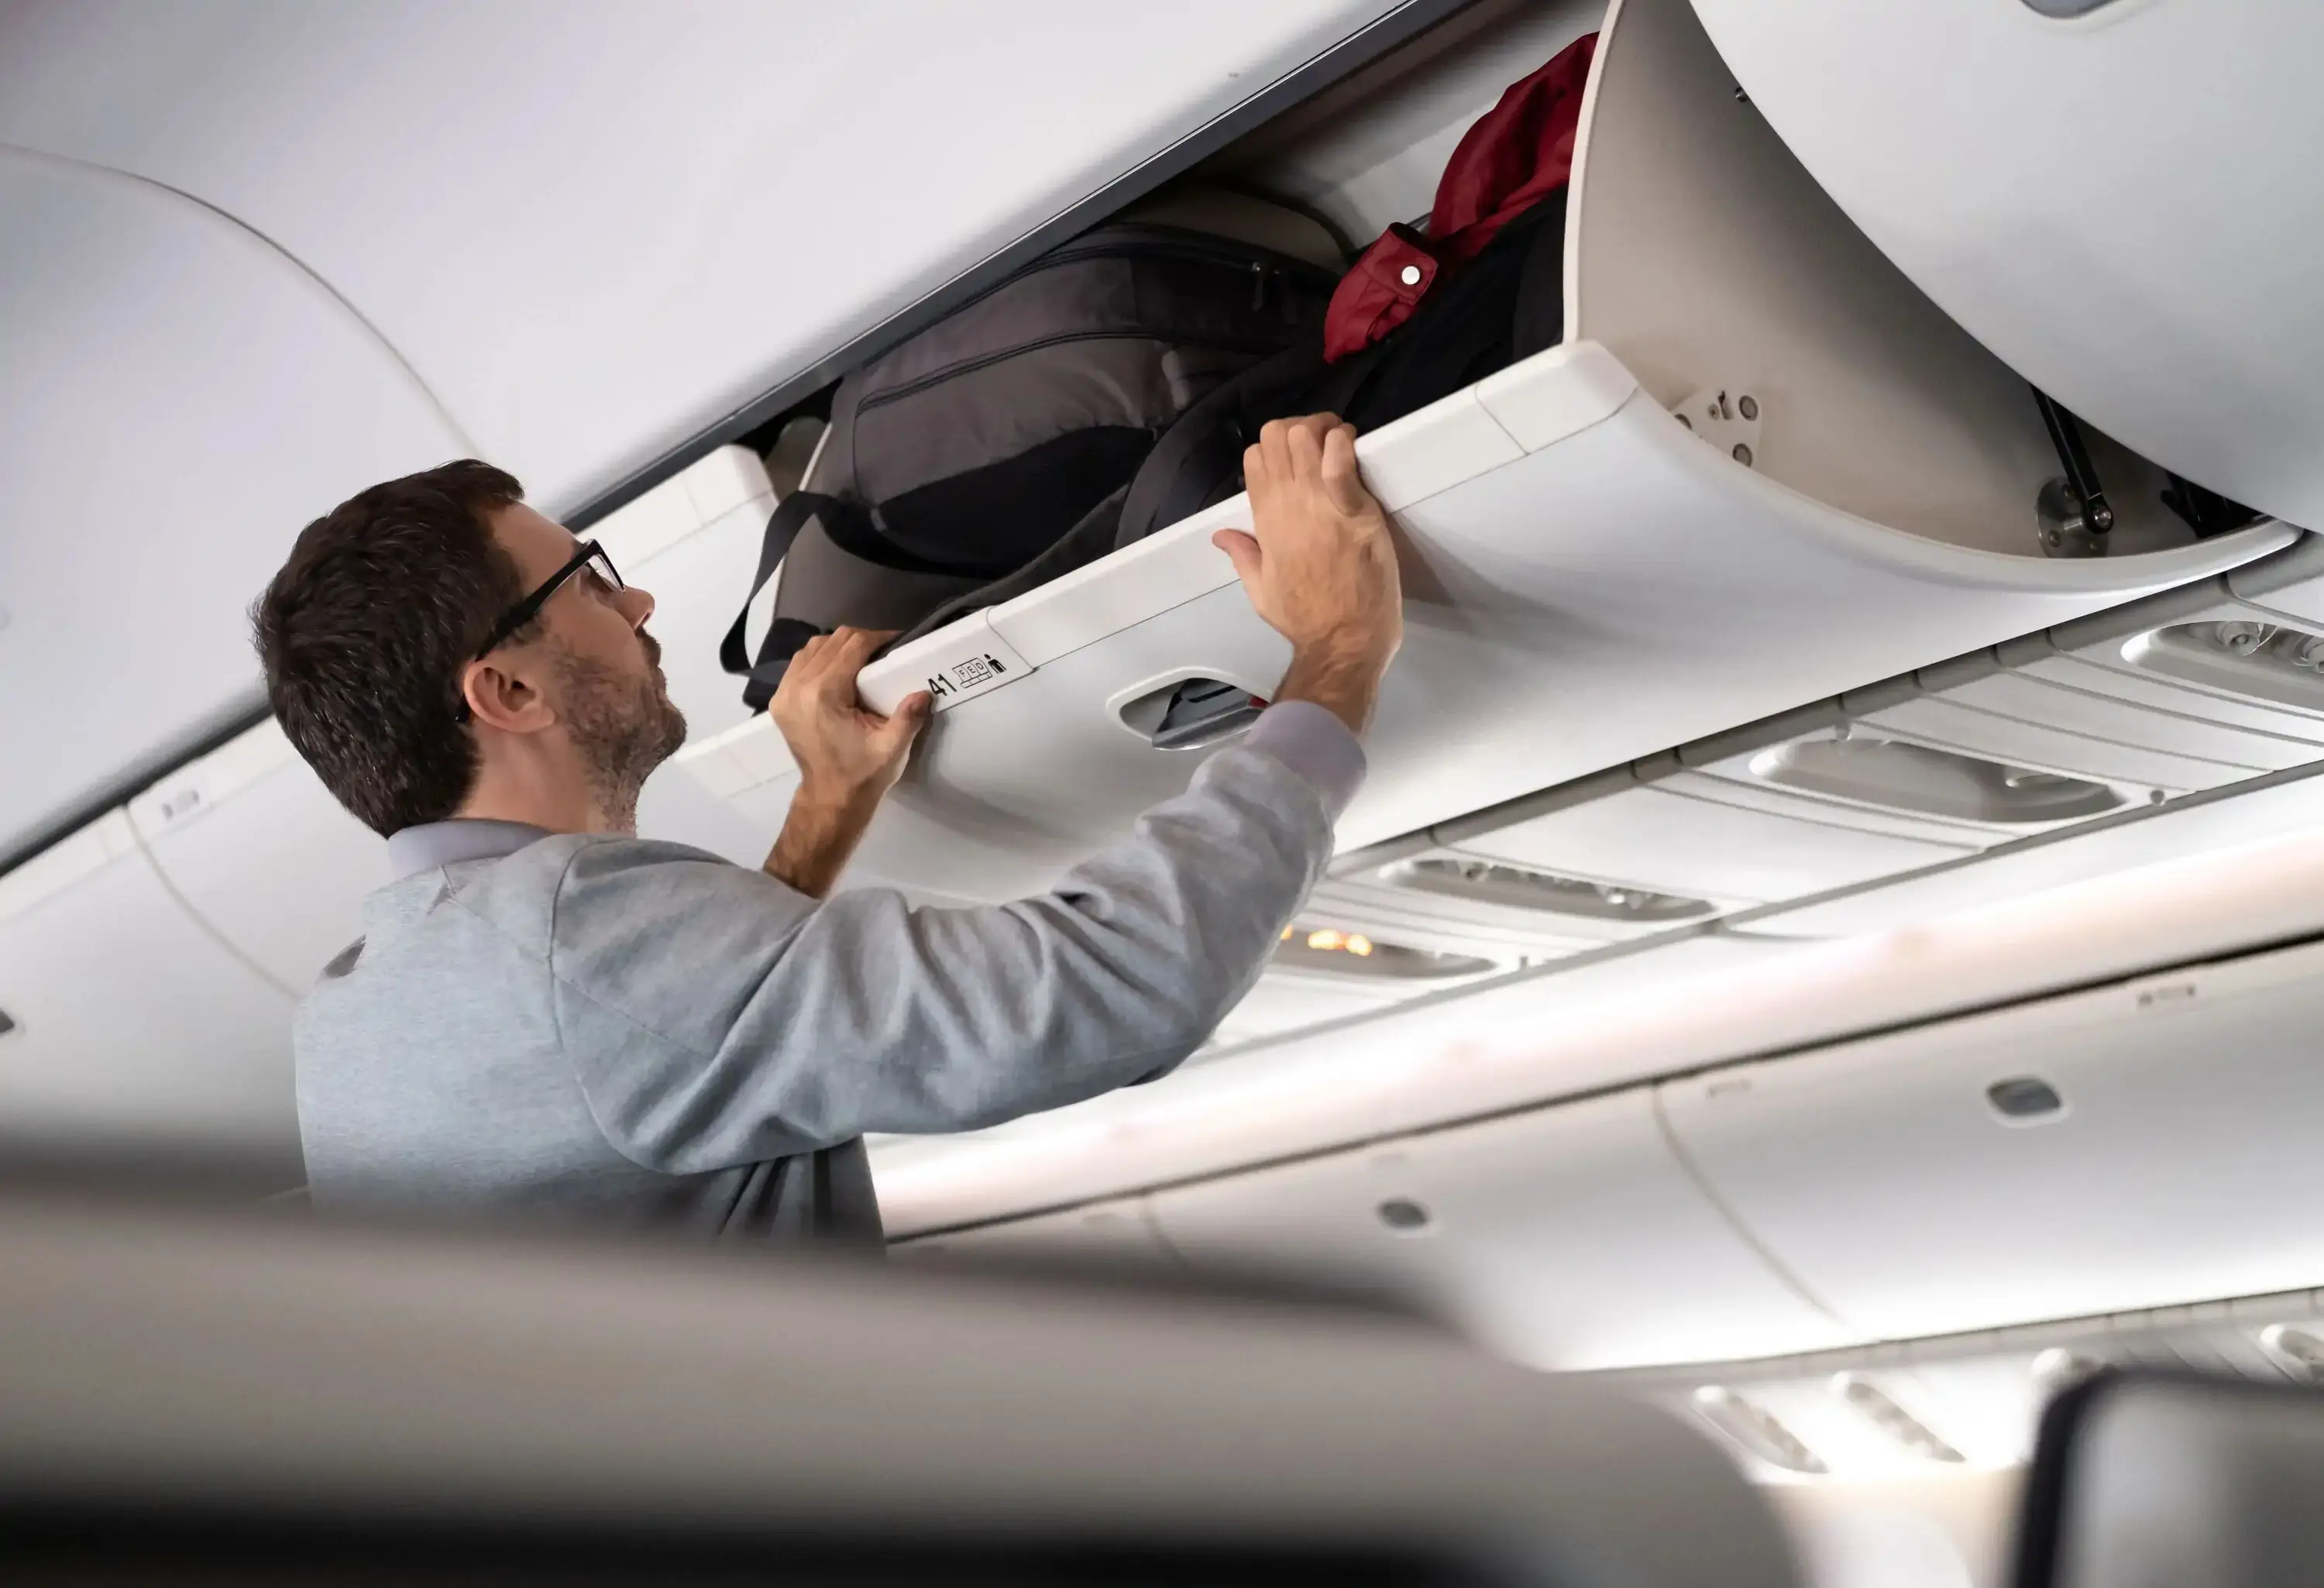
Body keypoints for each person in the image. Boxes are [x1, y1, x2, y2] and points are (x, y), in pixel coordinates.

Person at [253, 414, 1402, 1243]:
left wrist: (823, 811)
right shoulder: (575, 938)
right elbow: (1118, 985)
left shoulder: (357, 1021)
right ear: (507, 691)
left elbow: (680, 1063)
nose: (637, 603)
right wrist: (1338, 649)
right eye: (588, 583)